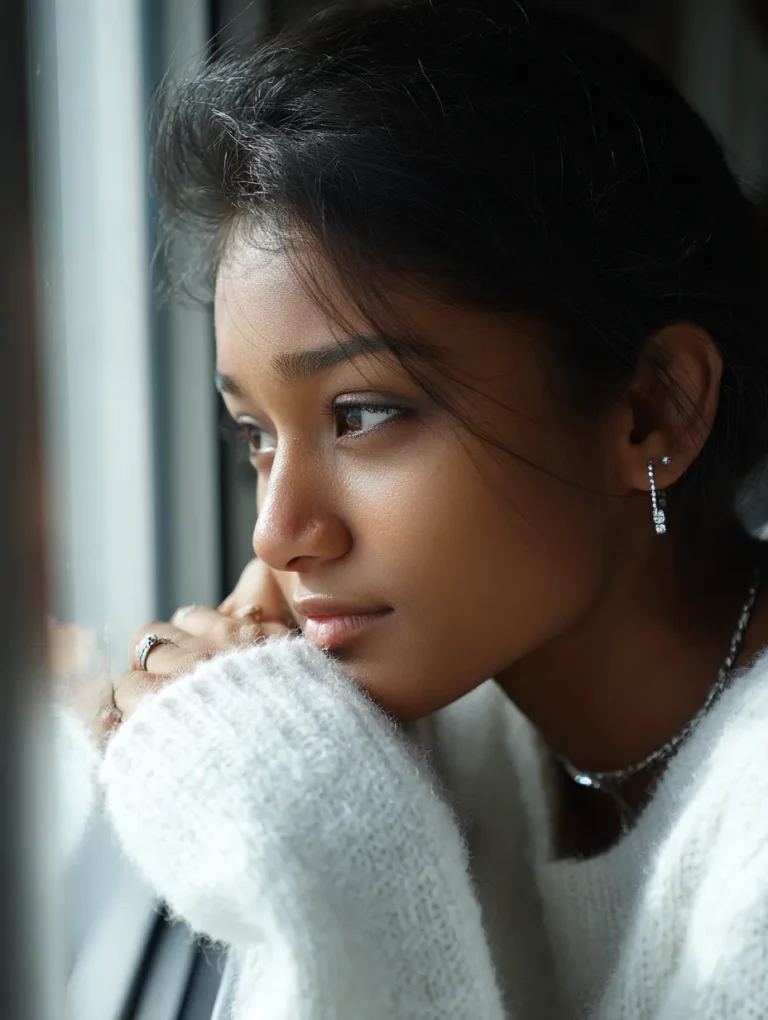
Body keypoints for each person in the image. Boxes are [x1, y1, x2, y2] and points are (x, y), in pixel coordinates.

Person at [72, 1, 768, 1016]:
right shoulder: (472, 720)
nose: (278, 533)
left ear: (651, 413)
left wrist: (319, 834)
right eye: (256, 437)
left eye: (362, 415)